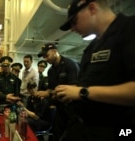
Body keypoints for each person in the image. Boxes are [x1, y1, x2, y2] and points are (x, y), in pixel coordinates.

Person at [54, 0, 135, 141]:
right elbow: (94, 84)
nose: (72, 28)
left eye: (74, 21)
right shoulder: (91, 48)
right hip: (83, 129)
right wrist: (72, 91)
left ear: (92, 8)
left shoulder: (130, 29)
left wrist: (82, 92)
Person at [36, 43, 80, 141]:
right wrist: (43, 94)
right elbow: (52, 89)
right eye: (44, 57)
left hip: (73, 110)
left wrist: (49, 93)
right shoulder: (50, 71)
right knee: (56, 134)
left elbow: (74, 89)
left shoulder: (70, 64)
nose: (46, 59)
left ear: (55, 52)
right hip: (60, 109)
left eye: (47, 56)